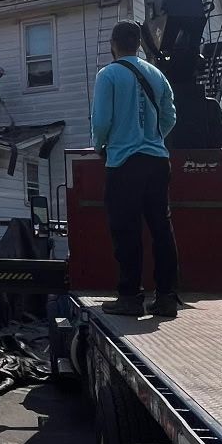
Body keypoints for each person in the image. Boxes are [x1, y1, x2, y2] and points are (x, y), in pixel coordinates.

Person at [89, 22, 179, 319]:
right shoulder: (158, 75)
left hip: (124, 161)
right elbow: (170, 117)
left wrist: (100, 146)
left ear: (114, 44)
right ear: (139, 44)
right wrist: (153, 137)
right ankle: (166, 298)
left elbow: (101, 120)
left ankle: (130, 297)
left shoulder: (109, 74)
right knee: (161, 229)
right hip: (157, 160)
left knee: (127, 230)